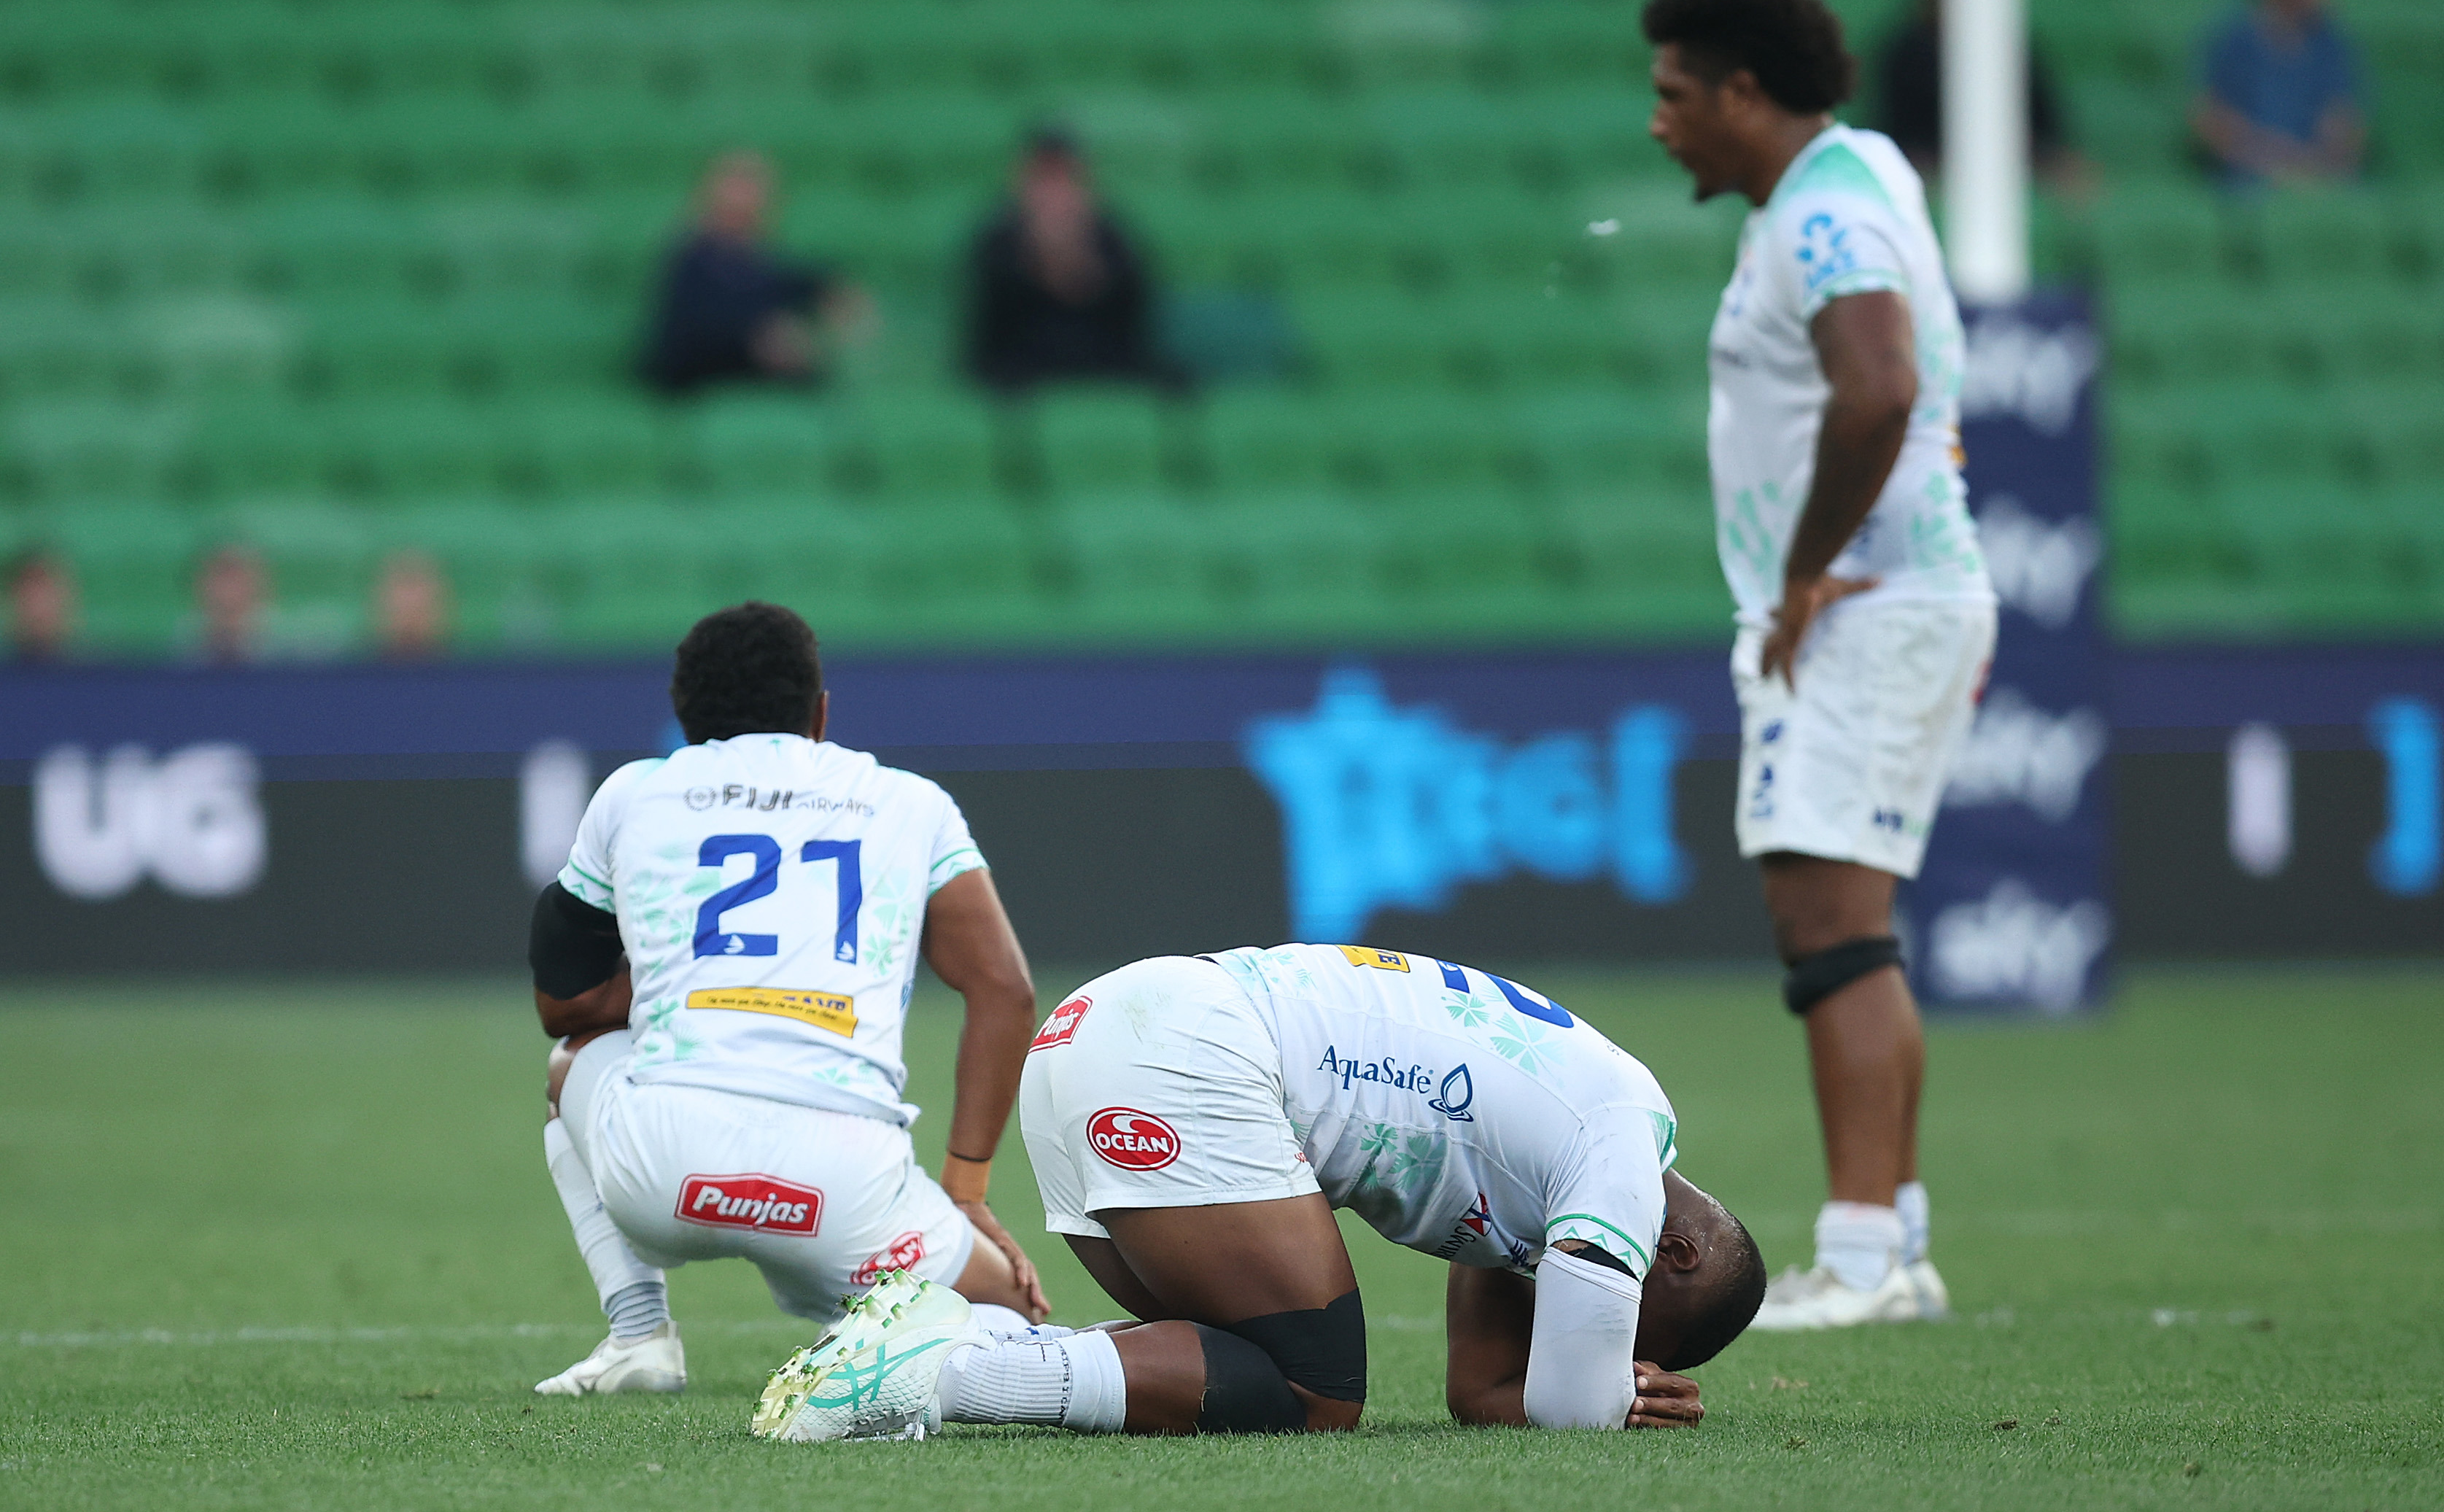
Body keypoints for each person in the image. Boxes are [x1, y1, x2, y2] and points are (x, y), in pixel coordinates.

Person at [753, 941, 1764, 1442]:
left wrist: (1580, 1380)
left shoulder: (1546, 1192)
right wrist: (1609, 1390)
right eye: (1638, 1320)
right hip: (1187, 1055)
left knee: (1231, 1362)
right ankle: (943, 1373)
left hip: (1109, 1027)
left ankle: (956, 1338)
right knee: (1316, 1392)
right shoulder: (1623, 1142)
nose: (1603, 1320)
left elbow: (1482, 1391)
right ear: (1669, 1252)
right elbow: (1569, 1403)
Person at [1641, 0, 1995, 1329]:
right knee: (1851, 926)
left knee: (1831, 926)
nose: (1659, 122)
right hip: (1902, 594)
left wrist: (1803, 570)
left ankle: (1859, 1257)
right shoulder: (1856, 176)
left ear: (1743, 90)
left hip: (1863, 602)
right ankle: (1891, 1236)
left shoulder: (1830, 211)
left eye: (1676, 94)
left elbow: (1881, 380)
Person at [527, 602, 1049, 1396]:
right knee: (1020, 1323)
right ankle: (864, 1322)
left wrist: (697, 990)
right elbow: (1005, 990)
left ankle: (638, 1334)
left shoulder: (635, 793)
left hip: (662, 1169)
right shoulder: (909, 801)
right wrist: (967, 1192)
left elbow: (563, 1006)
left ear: (685, 717)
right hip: (844, 1186)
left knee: (572, 1066)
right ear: (821, 713)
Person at [637, 152, 871, 396]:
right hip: (695, 390)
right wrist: (757, 339)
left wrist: (833, 293)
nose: (745, 197)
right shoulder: (688, 263)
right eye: (737, 184)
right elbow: (686, 340)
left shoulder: (758, 261)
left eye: (754, 186)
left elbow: (792, 282)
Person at [961, 129, 1171, 395]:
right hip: (1023, 363)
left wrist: (1080, 259)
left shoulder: (1111, 235)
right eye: (1044, 177)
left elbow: (1132, 314)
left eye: (1063, 177)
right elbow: (992, 324)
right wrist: (1040, 257)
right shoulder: (997, 238)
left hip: (1102, 359)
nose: (1055, 190)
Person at [1873, 0, 2087, 192]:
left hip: (2007, 172)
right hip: (1933, 174)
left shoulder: (2010, 50)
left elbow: (2044, 131)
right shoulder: (1904, 53)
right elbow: (1895, 139)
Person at [2190, 0, 2365, 187]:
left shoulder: (2330, 43)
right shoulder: (2233, 39)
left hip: (2319, 178)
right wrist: (2280, 163)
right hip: (2247, 177)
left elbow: (2344, 120)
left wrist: (2321, 163)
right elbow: (2210, 121)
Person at [195, 543, 267, 664]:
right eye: (223, 578)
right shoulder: (181, 648)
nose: (229, 588)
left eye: (236, 580)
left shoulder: (280, 648)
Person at [373, 549, 449, 659]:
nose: (410, 615)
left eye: (419, 610)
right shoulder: (355, 669)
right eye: (400, 611)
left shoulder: (465, 669)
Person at [7, 548, 75, 660]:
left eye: (45, 595)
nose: (38, 606)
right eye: (30, 596)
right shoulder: (6, 672)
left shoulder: (99, 671)